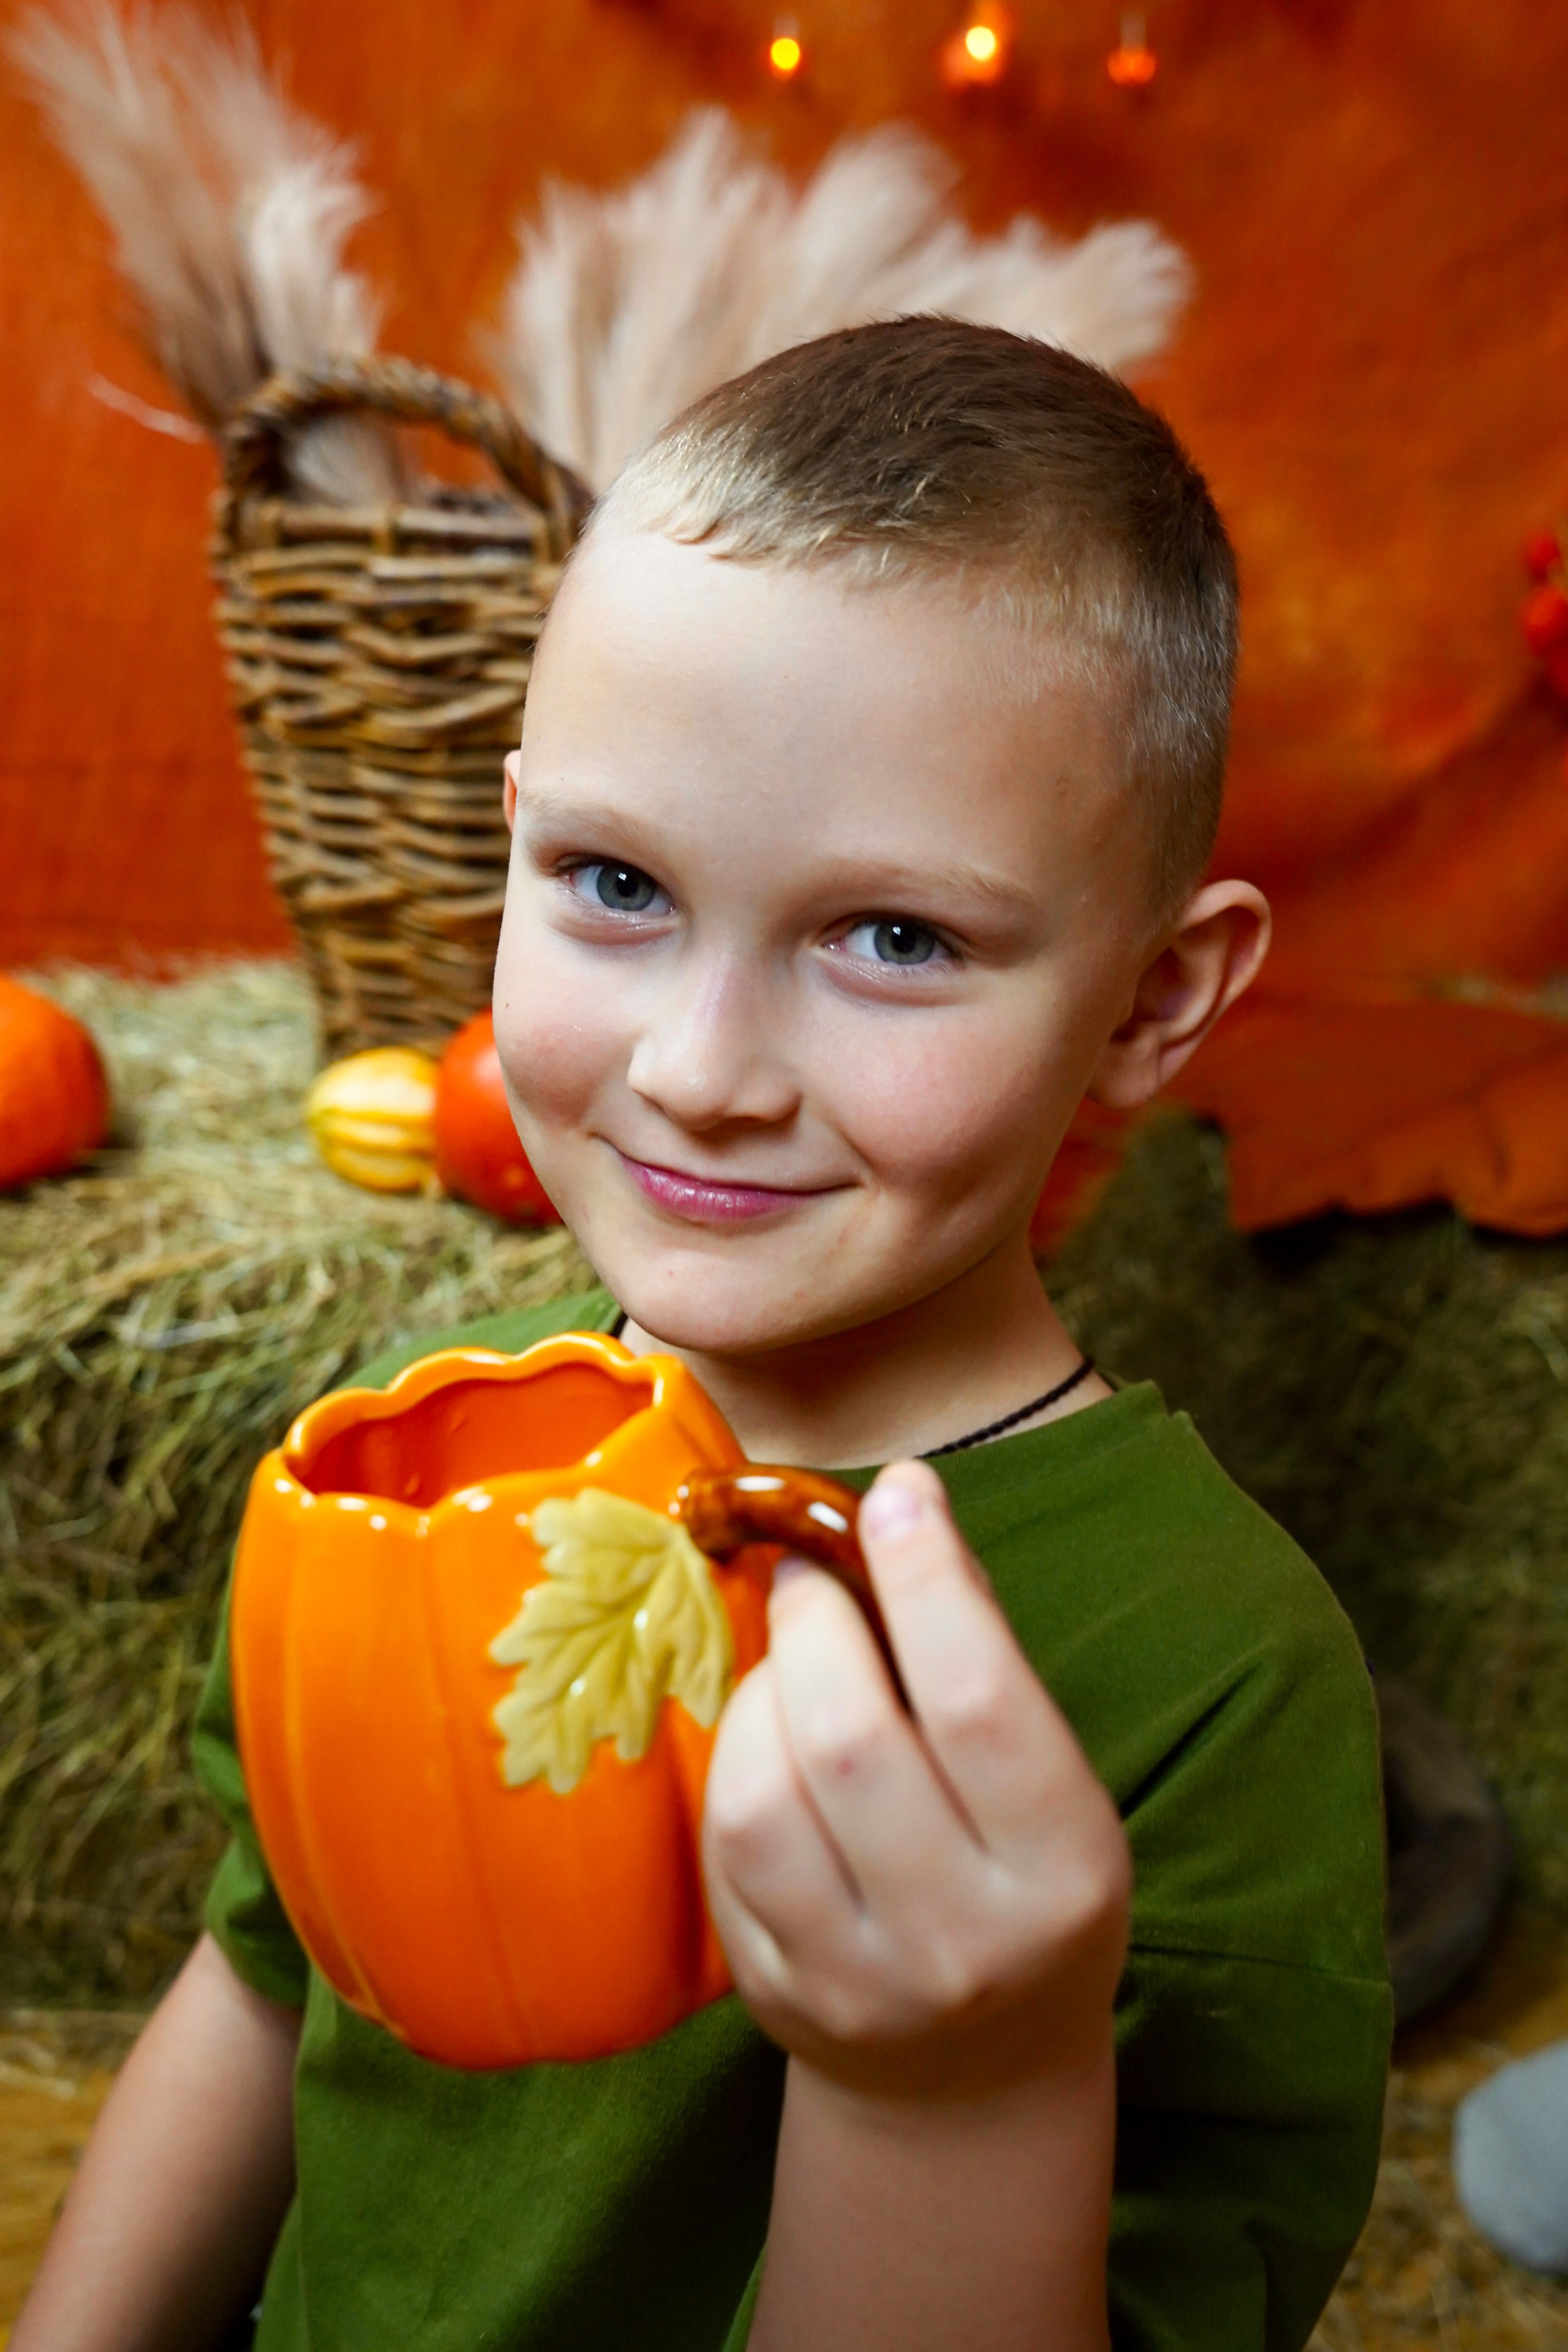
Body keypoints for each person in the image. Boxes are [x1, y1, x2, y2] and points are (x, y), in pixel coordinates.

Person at [15, 318, 1391, 2352]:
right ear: (511, 833)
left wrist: (962, 2088)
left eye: (896, 938)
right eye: (613, 883)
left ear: (1154, 999)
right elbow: (262, 1978)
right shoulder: (403, 1458)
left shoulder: (1215, 1689)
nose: (701, 1067)